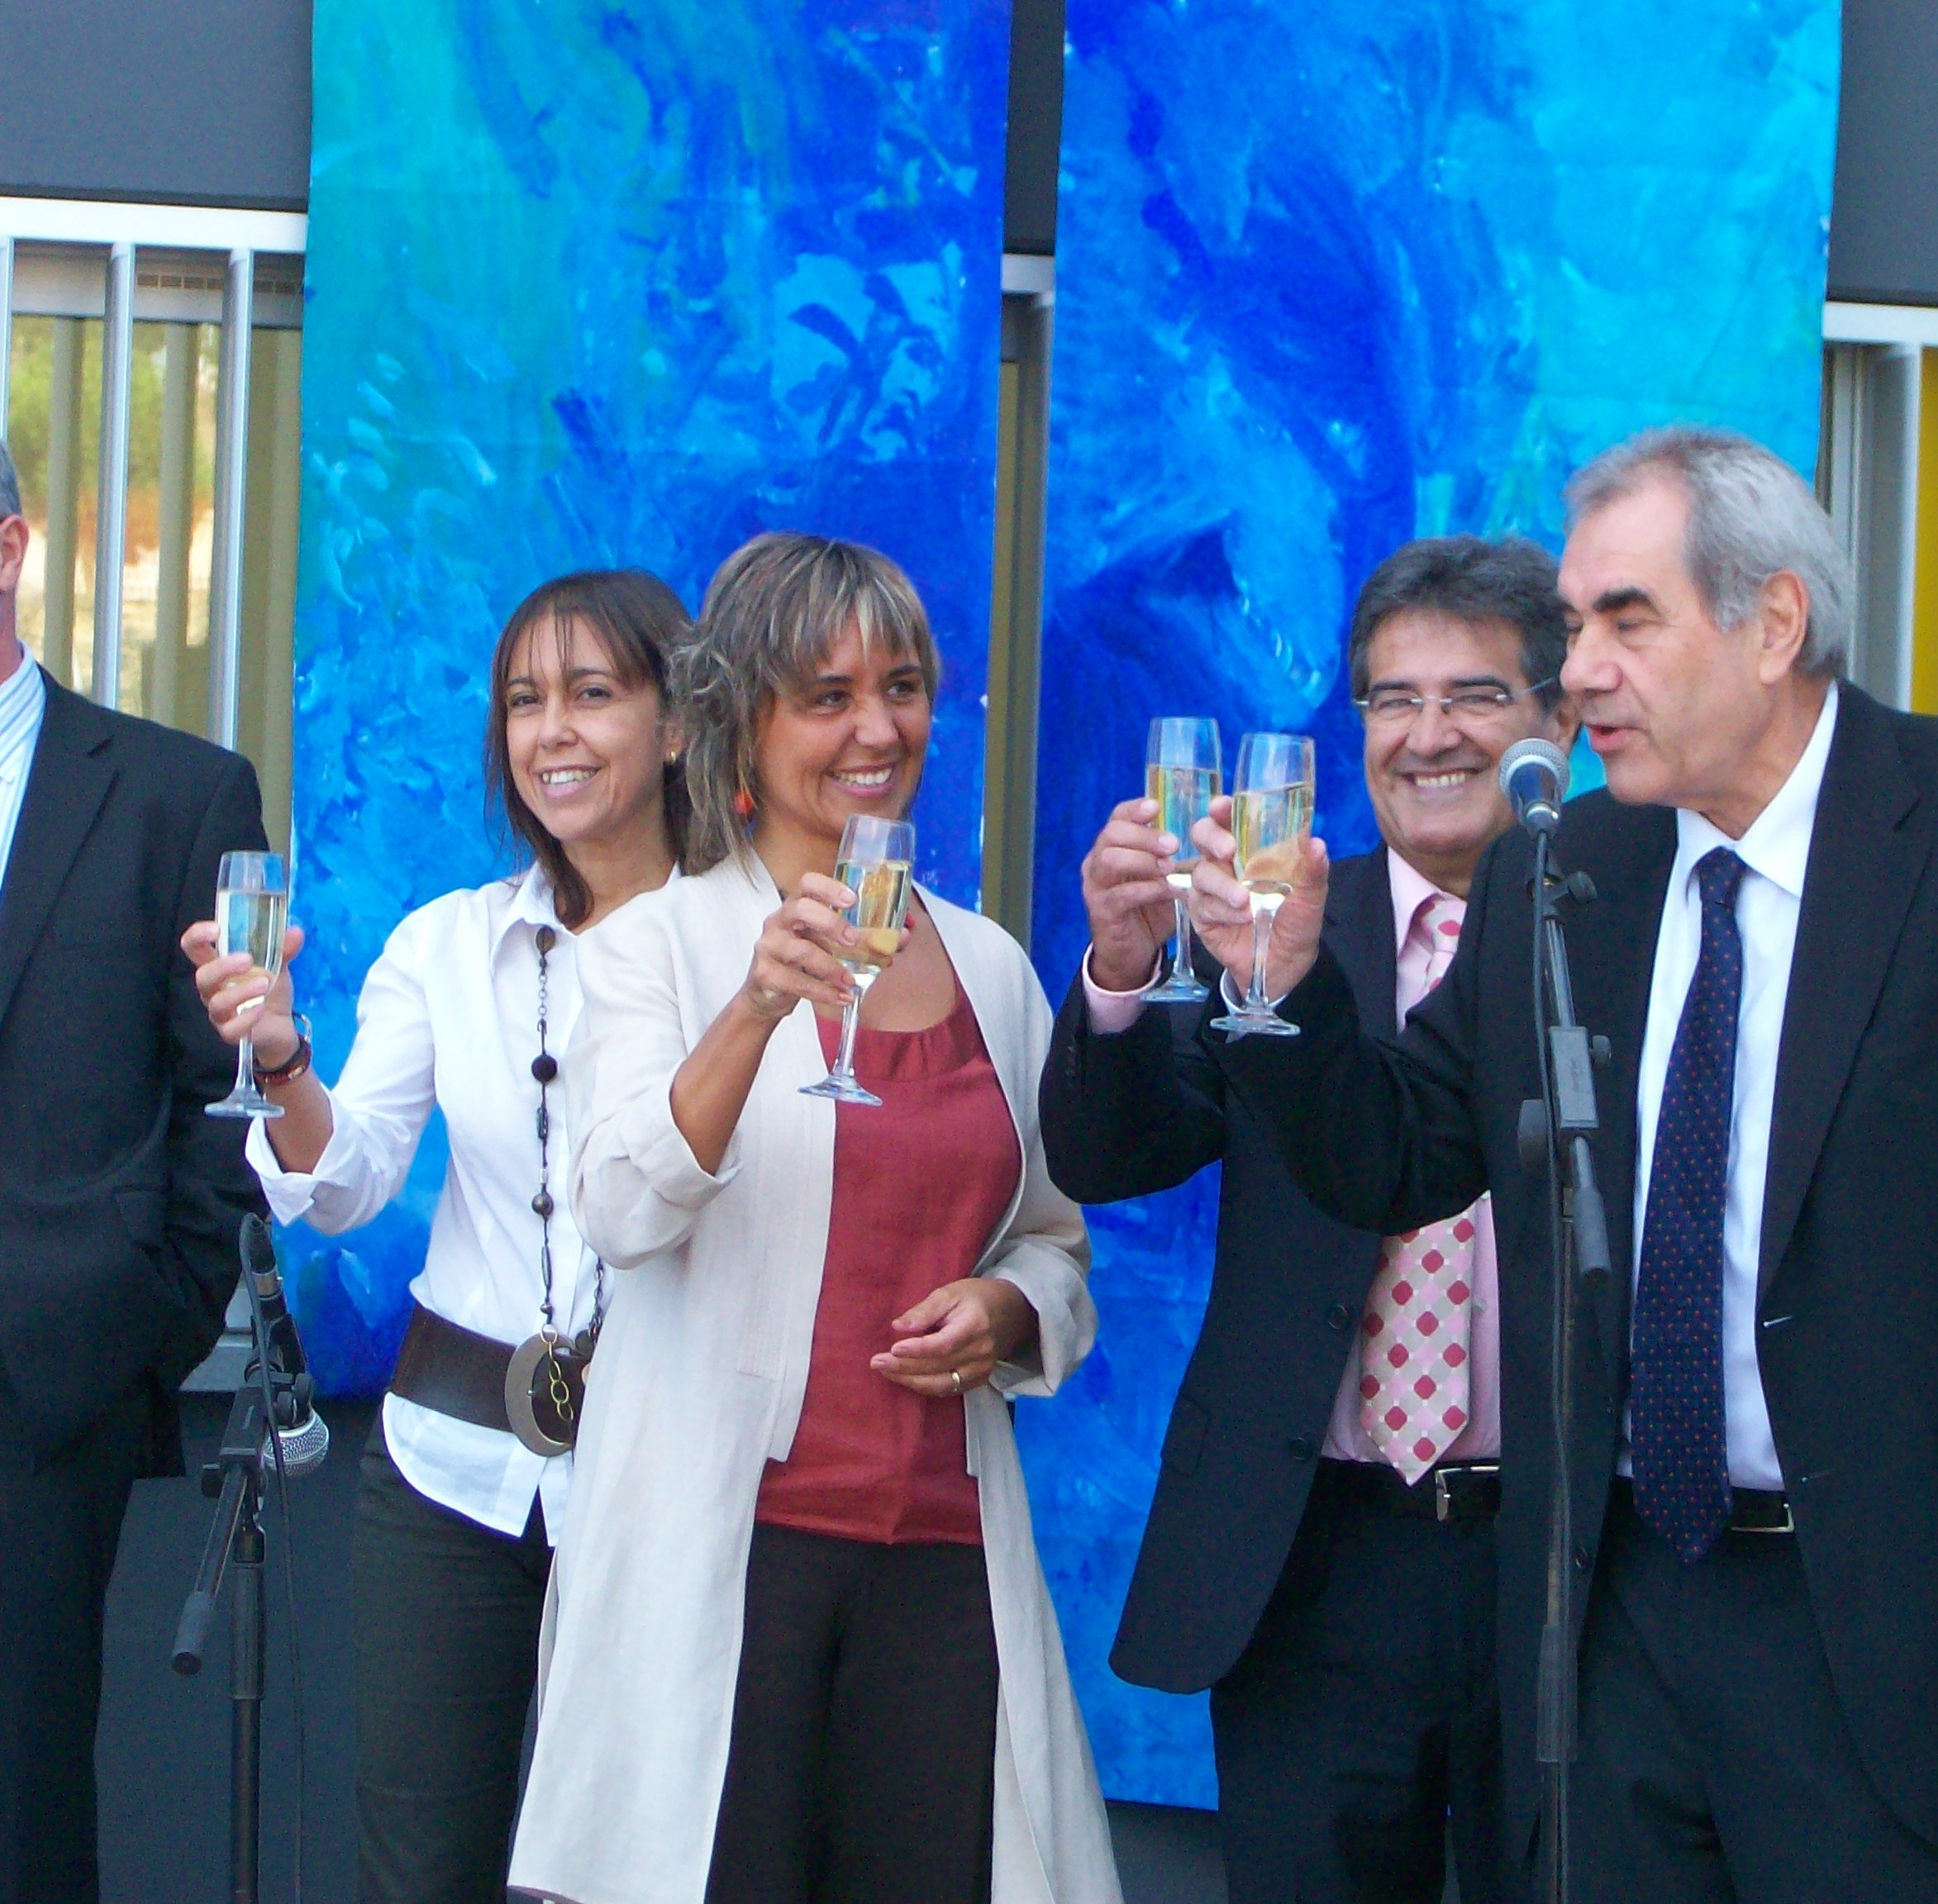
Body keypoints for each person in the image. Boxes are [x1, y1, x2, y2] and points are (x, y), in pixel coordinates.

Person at [1146, 427, 1938, 1901]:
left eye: (1625, 621)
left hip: (1883, 1629)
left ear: (1772, 624)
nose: (1580, 673)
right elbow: (1394, 1153)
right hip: (1616, 1618)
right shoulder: (1563, 864)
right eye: (1575, 626)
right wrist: (1289, 985)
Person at [510, 532, 1117, 1904]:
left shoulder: (990, 965)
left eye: (902, 688)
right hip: (726, 1554)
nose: (877, 730)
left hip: (945, 1556)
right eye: (827, 696)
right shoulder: (657, 944)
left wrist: (1012, 1306)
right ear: (745, 721)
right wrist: (755, 1007)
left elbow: (1054, 1241)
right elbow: (618, 1211)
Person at [1042, 536, 1577, 1902]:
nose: (1430, 736)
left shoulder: (1619, 939)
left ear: (1560, 721)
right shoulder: (1277, 928)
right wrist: (1122, 967)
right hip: (1310, 1552)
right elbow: (1109, 1155)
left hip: (1562, 1556)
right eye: (1395, 700)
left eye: (1475, 696)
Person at [183, 570, 690, 1902]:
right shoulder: (450, 942)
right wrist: (281, 1056)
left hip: (671, 1476)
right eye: (524, 701)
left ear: (679, 723)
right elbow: (346, 1184)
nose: (551, 732)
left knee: (636, 1873)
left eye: (592, 693)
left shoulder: (747, 950)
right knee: (421, 1871)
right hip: (445, 1471)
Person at [0, 440, 269, 1902]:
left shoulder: (177, 792)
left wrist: (137, 1318)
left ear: (9, 550)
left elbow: (230, 1095)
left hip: (42, 1386)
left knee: (23, 1803)